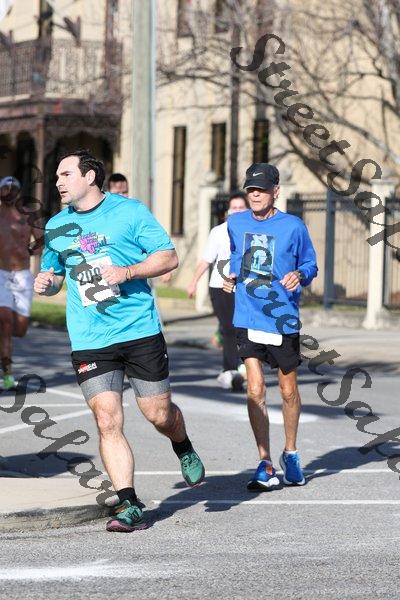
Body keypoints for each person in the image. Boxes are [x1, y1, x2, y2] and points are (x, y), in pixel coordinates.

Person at [34, 150, 205, 532]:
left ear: (90, 176)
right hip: (90, 337)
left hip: (138, 330)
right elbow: (55, 274)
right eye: (57, 176)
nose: (58, 182)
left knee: (158, 414)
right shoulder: (57, 226)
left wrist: (127, 272)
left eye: (65, 174)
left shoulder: (130, 212)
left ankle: (182, 444)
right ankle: (128, 503)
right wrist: (47, 283)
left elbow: (168, 257)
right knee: (107, 418)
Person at [223, 163, 318, 490]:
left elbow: (310, 263)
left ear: (275, 191)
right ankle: (264, 462)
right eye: (251, 190)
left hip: (282, 317)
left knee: (288, 391)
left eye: (261, 190)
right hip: (247, 315)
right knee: (255, 389)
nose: (255, 195)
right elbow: (235, 259)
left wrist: (300, 274)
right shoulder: (235, 223)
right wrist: (230, 277)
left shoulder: (293, 227)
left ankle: (290, 453)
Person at [187, 192, 248, 390]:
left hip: (244, 287)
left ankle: (244, 367)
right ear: (228, 211)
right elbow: (206, 260)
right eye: (234, 207)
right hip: (220, 286)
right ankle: (230, 371)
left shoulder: (252, 231)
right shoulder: (218, 232)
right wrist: (194, 282)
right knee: (229, 328)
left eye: (241, 207)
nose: (237, 211)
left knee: (243, 329)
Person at [0, 176, 43, 390]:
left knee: (20, 330)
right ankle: (7, 375)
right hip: (1, 274)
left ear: (18, 192)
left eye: (12, 188)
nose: (8, 192)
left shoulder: (29, 215)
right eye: (4, 189)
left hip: (23, 275)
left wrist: (31, 250)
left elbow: (42, 241)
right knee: (5, 322)